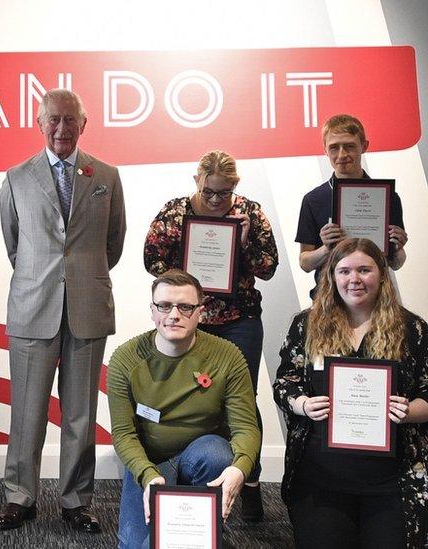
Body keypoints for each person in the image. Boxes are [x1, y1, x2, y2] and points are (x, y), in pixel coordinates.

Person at [0, 88, 126, 533]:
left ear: (84, 124)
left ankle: (76, 501)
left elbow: (114, 242)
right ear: (39, 122)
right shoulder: (15, 178)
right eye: (53, 119)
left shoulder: (106, 175)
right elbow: (15, 246)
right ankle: (20, 496)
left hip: (88, 308)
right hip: (33, 309)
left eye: (71, 120)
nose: (62, 128)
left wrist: (79, 276)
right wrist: (46, 279)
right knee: (27, 411)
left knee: (81, 414)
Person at [143, 149, 277, 519]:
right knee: (185, 398)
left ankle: (248, 481)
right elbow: (151, 259)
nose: (217, 200)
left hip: (239, 320)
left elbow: (268, 268)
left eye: (225, 192)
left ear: (235, 187)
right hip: (187, 320)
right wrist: (191, 264)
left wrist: (244, 241)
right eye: (209, 191)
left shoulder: (250, 213)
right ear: (196, 182)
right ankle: (190, 473)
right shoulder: (175, 212)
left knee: (241, 401)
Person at [273, 238, 428, 549]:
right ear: (331, 276)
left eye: (364, 270)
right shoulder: (307, 324)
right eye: (343, 271)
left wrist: (410, 411)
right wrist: (303, 404)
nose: (353, 279)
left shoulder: (412, 328)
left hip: (393, 480)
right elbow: (284, 382)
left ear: (382, 274)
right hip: (320, 476)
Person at [108, 269, 261, 548]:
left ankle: (202, 528)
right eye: (164, 306)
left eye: (185, 306)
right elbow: (123, 434)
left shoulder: (228, 356)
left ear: (200, 312)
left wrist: (240, 469)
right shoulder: (125, 359)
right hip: (151, 460)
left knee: (218, 454)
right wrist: (147, 475)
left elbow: (246, 427)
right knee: (137, 546)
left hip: (202, 456)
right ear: (153, 311)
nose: (174, 314)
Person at [296, 114, 407, 298]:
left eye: (349, 146)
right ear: (325, 150)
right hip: (328, 299)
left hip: (375, 298)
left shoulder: (387, 197)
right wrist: (326, 248)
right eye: (334, 148)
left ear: (364, 146)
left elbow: (395, 263)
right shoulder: (312, 200)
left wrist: (398, 248)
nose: (342, 155)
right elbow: (305, 263)